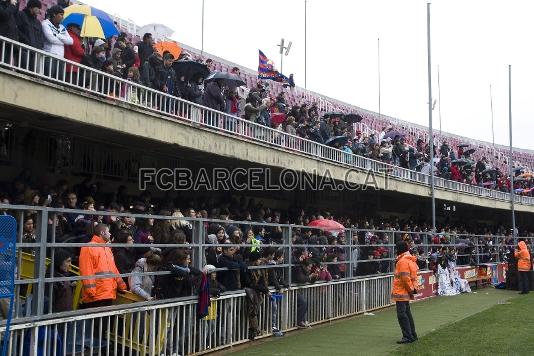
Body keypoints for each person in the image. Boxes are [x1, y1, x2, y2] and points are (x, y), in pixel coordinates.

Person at [79, 223, 127, 308]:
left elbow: (113, 269)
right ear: (102, 232)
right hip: (96, 296)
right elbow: (86, 270)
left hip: (107, 293)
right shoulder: (88, 247)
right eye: (108, 231)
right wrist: (91, 292)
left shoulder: (107, 248)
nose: (110, 234)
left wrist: (122, 285)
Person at [391, 240, 418, 344]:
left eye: (397, 248)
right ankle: (412, 335)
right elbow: (411, 277)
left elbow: (405, 278)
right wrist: (412, 289)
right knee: (407, 313)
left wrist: (410, 290)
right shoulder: (409, 259)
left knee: (402, 314)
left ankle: (407, 336)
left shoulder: (402, 261)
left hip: (401, 291)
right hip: (406, 290)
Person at [41, 5, 72, 79]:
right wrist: (64, 40)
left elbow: (70, 41)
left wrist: (57, 35)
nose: (62, 17)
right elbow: (51, 39)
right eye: (61, 14)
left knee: (59, 82)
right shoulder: (45, 23)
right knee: (48, 80)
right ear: (54, 14)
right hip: (49, 56)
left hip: (60, 57)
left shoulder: (62, 27)